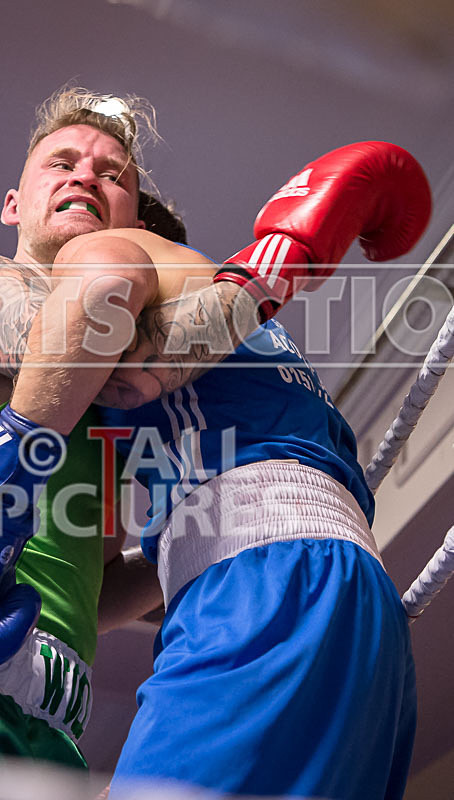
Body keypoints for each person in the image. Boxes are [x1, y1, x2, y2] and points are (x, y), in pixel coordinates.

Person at [0, 87, 257, 785]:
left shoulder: (102, 425)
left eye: (112, 175)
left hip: (57, 715)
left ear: (132, 221)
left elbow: (89, 591)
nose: (86, 175)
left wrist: (198, 542)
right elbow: (94, 340)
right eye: (61, 162)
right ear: (14, 204)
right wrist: (263, 279)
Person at [98, 142, 432, 799]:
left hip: (271, 589)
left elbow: (144, 367)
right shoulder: (127, 402)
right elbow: (101, 593)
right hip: (325, 593)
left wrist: (278, 263)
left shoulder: (141, 264)